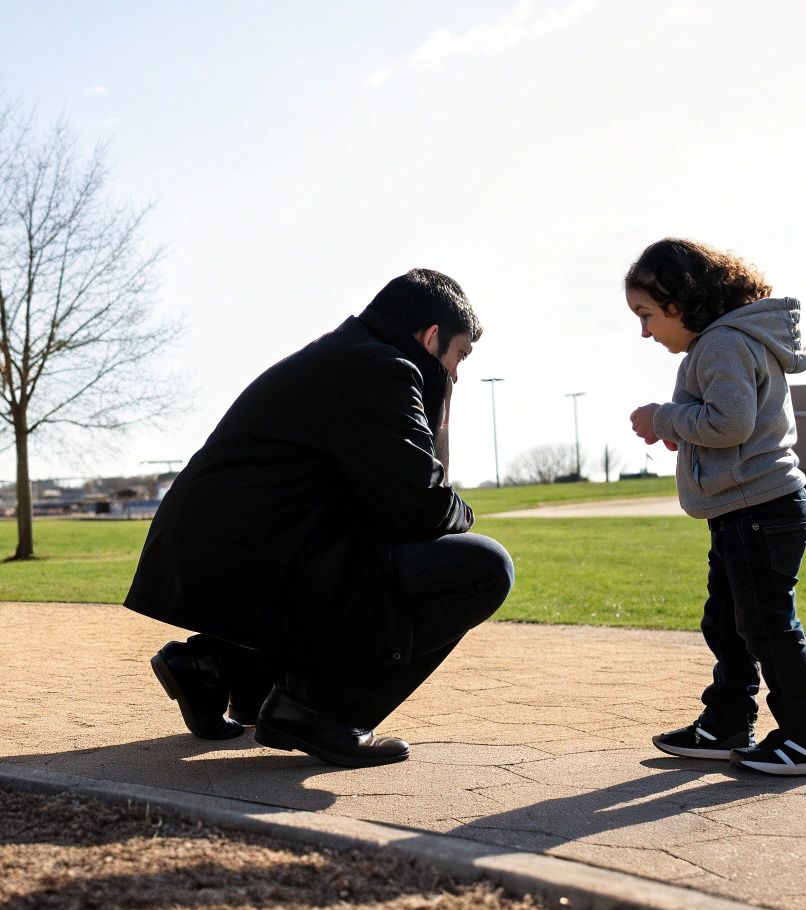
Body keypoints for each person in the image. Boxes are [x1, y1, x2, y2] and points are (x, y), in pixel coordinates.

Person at [124, 269, 514, 768]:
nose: (456, 373)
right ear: (431, 336)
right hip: (259, 561)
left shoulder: (341, 354)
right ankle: (319, 711)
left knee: (363, 559)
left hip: (225, 560)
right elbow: (422, 508)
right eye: (459, 357)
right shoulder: (384, 369)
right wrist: (442, 414)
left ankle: (214, 668)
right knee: (482, 567)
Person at [624, 238, 806, 776]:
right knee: (727, 623)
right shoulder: (725, 342)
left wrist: (665, 419)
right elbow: (728, 424)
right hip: (744, 511)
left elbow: (730, 423)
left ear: (680, 302)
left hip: (759, 510)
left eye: (647, 314)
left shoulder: (722, 343)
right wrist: (688, 431)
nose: (645, 331)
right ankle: (725, 723)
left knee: (766, 625)